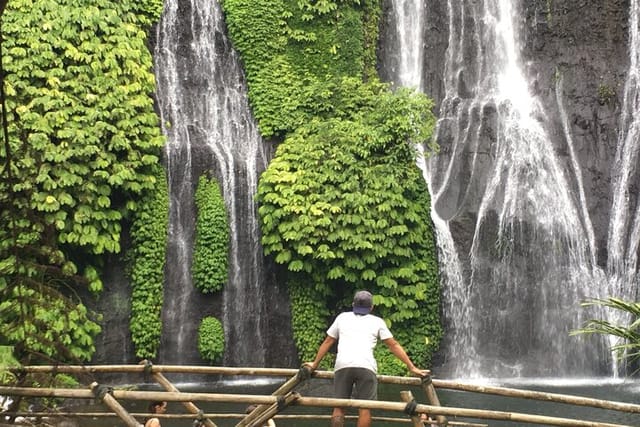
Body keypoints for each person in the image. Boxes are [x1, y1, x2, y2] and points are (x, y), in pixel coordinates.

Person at [304, 290, 429, 427]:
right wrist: (412, 367)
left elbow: (328, 341)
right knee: (365, 408)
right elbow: (393, 345)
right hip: (366, 366)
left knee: (339, 406)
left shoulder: (342, 317)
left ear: (353, 304)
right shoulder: (377, 322)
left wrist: (315, 364)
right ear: (371, 307)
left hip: (342, 365)